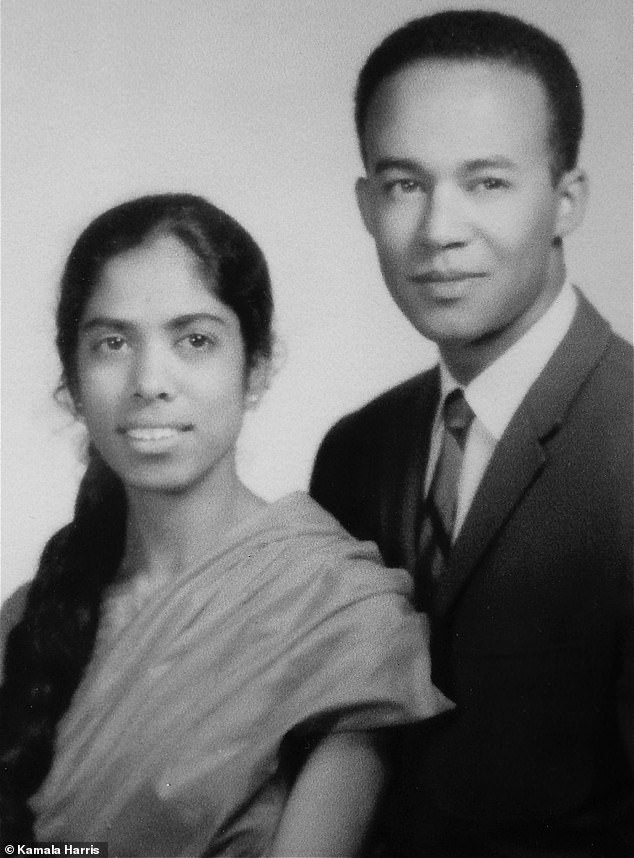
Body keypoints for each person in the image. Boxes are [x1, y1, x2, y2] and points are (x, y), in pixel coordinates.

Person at [0, 193, 452, 856]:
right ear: (72, 378)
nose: (150, 380)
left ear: (258, 369)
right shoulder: (28, 622)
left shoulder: (340, 615)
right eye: (113, 342)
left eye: (196, 340)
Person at [310, 10, 633, 857]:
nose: (438, 230)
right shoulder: (354, 453)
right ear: (365, 203)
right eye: (404, 184)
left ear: (567, 202)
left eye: (487, 182)